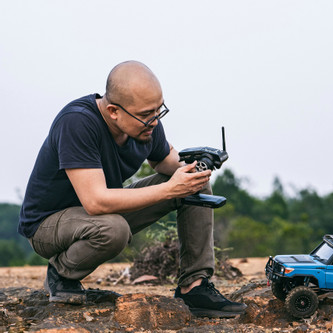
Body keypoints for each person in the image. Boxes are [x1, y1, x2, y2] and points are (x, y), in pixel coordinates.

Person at [18, 60, 246, 318]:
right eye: (148, 114)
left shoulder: (144, 123)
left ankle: (194, 287)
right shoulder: (77, 122)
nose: (155, 121)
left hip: (96, 215)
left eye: (159, 111)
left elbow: (164, 160)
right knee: (114, 229)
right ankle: (61, 272)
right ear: (114, 111)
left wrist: (195, 165)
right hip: (48, 224)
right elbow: (96, 202)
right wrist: (170, 189)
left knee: (195, 183)